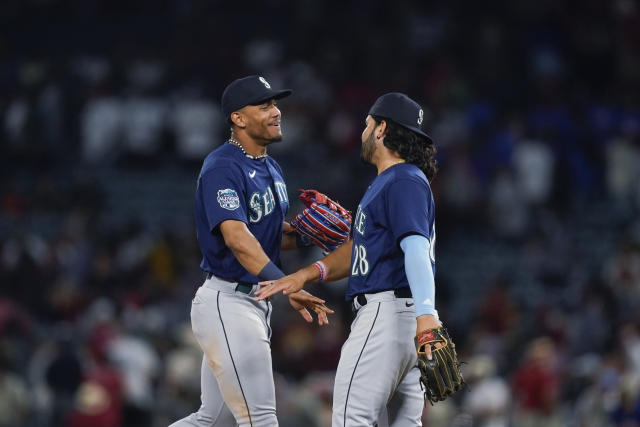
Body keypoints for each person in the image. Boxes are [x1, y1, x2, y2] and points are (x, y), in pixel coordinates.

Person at [256, 92, 441, 426]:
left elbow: (416, 249)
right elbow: (358, 252)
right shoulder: (394, 183)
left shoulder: (401, 179)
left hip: (387, 316)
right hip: (403, 321)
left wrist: (427, 315)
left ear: (382, 129)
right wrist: (307, 274)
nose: (363, 133)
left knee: (349, 420)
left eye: (367, 125)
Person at [170, 75, 334, 427]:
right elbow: (238, 239)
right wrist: (286, 282)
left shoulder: (271, 167)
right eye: (264, 106)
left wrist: (306, 234)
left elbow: (269, 237)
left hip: (252, 303)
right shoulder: (223, 166)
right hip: (229, 301)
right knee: (261, 420)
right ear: (238, 118)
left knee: (210, 421)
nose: (276, 112)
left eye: (275, 104)